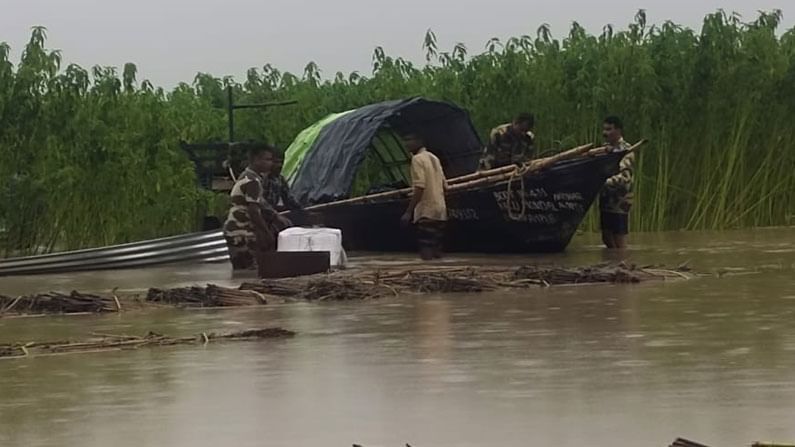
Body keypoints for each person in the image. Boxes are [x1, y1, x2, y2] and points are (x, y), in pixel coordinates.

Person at [223, 144, 289, 270]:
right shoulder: (253, 181)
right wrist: (266, 232)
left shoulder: (248, 176)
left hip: (236, 230)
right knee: (249, 272)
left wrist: (276, 216)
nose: (270, 163)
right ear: (255, 160)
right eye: (267, 160)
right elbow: (254, 211)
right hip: (242, 232)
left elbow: (262, 205)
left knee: (241, 272)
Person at [400, 133, 448, 260]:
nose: (406, 144)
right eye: (405, 141)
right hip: (440, 211)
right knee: (437, 250)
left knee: (426, 249)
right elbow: (444, 186)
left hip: (427, 211)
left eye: (409, 140)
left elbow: (420, 187)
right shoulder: (434, 158)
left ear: (420, 141)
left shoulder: (417, 159)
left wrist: (409, 212)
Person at [599, 116, 634, 250]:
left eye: (609, 129)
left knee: (619, 237)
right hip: (606, 198)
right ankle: (613, 265)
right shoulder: (605, 149)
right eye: (604, 129)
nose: (605, 133)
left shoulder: (626, 150)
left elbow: (625, 178)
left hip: (620, 199)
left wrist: (604, 182)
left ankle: (623, 265)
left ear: (618, 130)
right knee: (606, 236)